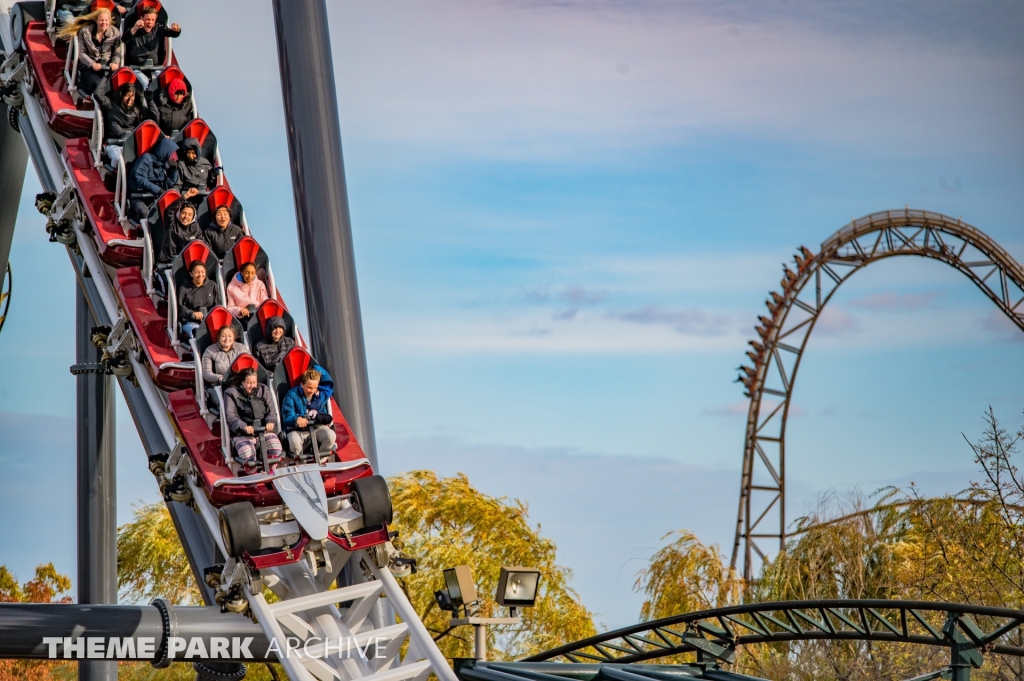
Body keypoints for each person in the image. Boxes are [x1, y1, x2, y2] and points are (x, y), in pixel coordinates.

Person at [224, 367, 283, 468]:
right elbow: (231, 417)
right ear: (242, 382)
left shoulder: (263, 390)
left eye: (254, 382)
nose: (252, 386)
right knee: (248, 455)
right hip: (242, 433)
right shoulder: (231, 393)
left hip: (263, 430)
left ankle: (270, 471)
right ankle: (253, 476)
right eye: (248, 383)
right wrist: (244, 427)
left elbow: (271, 410)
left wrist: (270, 422)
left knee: (276, 449)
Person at [57, 8, 122, 97]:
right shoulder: (85, 32)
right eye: (101, 20)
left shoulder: (115, 32)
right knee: (98, 85)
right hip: (89, 69)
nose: (104, 23)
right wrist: (92, 63)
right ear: (96, 20)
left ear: (110, 21)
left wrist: (115, 62)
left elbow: (117, 52)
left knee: (114, 87)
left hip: (107, 68)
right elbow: (81, 53)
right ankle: (80, 85)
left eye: (106, 20)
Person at [281, 367, 337, 460]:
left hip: (316, 427)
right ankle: (301, 465)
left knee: (330, 435)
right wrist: (297, 419)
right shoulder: (292, 395)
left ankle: (320, 461)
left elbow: (328, 382)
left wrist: (314, 367)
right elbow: (287, 416)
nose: (312, 391)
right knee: (294, 441)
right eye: (310, 387)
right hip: (296, 429)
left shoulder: (320, 395)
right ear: (302, 384)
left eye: (315, 387)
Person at [121, 4, 181, 87]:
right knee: (144, 81)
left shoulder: (157, 28)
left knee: (161, 81)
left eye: (153, 20)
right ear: (142, 18)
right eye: (148, 19)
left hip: (154, 67)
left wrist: (176, 30)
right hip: (136, 67)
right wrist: (135, 28)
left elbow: (170, 33)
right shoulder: (134, 28)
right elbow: (124, 39)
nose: (150, 22)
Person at [127, 136, 178, 222]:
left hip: (154, 198)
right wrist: (158, 190)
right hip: (138, 196)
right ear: (164, 151)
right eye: (171, 153)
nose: (173, 156)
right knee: (145, 213)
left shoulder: (164, 165)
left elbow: (167, 185)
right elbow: (140, 179)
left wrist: (174, 170)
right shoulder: (146, 159)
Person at [201, 324, 246, 409]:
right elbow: (206, 374)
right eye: (223, 336)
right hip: (220, 385)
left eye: (230, 336)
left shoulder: (242, 348)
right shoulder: (210, 351)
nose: (227, 339)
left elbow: (250, 367)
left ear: (234, 337)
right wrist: (219, 378)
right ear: (218, 337)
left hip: (240, 383)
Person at [93, 77, 151, 143]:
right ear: (122, 95)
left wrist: (151, 102)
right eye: (127, 96)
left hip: (132, 143)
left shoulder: (137, 108)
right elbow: (97, 94)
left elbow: (153, 120)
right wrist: (106, 76)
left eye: (132, 96)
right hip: (113, 144)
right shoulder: (111, 105)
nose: (129, 99)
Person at [177, 260, 217, 338]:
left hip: (209, 320)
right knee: (199, 333)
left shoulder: (212, 285)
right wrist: (193, 314)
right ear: (191, 274)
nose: (200, 275)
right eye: (197, 272)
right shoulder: (184, 288)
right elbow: (181, 310)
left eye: (202, 272)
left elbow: (217, 305)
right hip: (190, 321)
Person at [157, 198, 201, 264]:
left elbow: (202, 245)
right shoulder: (171, 224)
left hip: (188, 263)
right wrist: (185, 196)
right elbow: (169, 210)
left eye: (189, 215)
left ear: (193, 217)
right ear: (179, 213)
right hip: (168, 262)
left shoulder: (196, 228)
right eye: (183, 213)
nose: (186, 216)